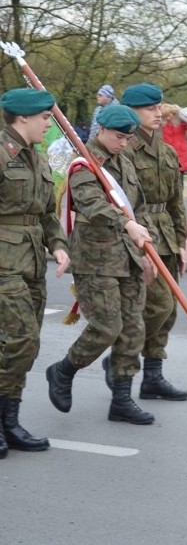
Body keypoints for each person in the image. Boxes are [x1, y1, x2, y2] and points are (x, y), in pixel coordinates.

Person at [45, 105, 159, 425]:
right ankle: (63, 371)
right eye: (119, 137)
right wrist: (127, 225)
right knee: (107, 327)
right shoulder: (85, 164)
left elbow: (137, 209)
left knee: (133, 329)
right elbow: (92, 204)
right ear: (102, 130)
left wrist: (148, 251)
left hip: (128, 258)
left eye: (128, 138)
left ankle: (121, 398)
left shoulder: (125, 160)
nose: (124, 143)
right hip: (96, 260)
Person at [106, 83, 187, 401]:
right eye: (150, 109)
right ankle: (122, 358)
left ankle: (153, 376)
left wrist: (181, 240)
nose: (158, 113)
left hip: (165, 233)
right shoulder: (122, 149)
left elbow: (176, 201)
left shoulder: (166, 150)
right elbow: (115, 200)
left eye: (158, 108)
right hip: (138, 234)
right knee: (156, 305)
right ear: (131, 112)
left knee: (169, 313)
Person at [0, 88, 70, 458]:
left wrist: (58, 245)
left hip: (29, 263)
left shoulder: (36, 159)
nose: (49, 123)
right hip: (3, 263)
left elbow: (45, 212)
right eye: (45, 117)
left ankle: (9, 422)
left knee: (26, 344)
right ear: (23, 118)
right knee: (19, 338)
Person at [161, 103, 187, 179]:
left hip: (180, 154)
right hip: (166, 153)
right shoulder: (161, 123)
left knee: (178, 182)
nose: (168, 118)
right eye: (165, 116)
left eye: (170, 115)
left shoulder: (182, 120)